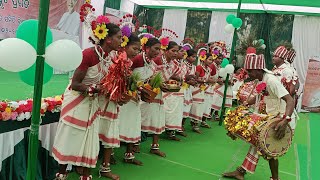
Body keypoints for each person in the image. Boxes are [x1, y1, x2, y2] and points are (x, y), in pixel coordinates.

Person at [52, 14, 122, 180]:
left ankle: (86, 175)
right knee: (71, 136)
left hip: (92, 102)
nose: (122, 41)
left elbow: (106, 83)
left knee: (90, 138)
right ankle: (61, 174)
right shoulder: (88, 55)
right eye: (119, 37)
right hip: (76, 101)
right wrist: (96, 89)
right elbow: (76, 84)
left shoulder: (111, 57)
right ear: (108, 40)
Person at [222, 53, 295, 180]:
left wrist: (284, 121)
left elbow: (290, 100)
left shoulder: (271, 81)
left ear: (258, 70)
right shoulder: (263, 79)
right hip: (272, 117)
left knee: (268, 149)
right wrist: (246, 103)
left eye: (250, 71)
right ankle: (242, 172)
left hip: (282, 119)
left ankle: (272, 178)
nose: (248, 74)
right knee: (258, 143)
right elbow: (260, 94)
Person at [131, 37, 165, 157]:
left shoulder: (152, 63)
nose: (158, 52)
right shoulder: (138, 59)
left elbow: (151, 80)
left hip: (145, 96)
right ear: (147, 48)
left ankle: (152, 146)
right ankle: (133, 145)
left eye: (159, 49)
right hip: (131, 96)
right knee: (136, 121)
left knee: (155, 119)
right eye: (156, 48)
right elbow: (128, 76)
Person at [118, 34, 143, 165]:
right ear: (125, 46)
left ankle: (129, 154)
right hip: (120, 98)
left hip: (132, 97)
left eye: (139, 50)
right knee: (116, 126)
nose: (137, 52)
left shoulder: (130, 61)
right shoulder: (118, 60)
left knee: (133, 124)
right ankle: (108, 157)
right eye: (134, 48)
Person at [272, 46, 297, 130]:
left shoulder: (287, 70)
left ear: (282, 58)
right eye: (273, 56)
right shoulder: (274, 69)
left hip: (283, 103)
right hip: (274, 103)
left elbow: (290, 90)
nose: (273, 58)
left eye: (276, 56)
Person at [189, 49, 214, 133]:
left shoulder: (209, 69)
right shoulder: (199, 67)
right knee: (196, 107)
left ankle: (195, 123)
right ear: (204, 59)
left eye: (212, 60)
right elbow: (195, 79)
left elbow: (208, 78)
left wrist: (212, 80)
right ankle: (194, 124)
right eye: (209, 59)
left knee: (200, 107)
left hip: (203, 90)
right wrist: (206, 81)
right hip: (196, 89)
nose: (211, 61)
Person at [178, 49, 197, 136]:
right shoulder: (182, 64)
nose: (194, 58)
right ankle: (177, 127)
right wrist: (189, 79)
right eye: (193, 56)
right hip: (182, 88)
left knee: (187, 107)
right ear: (187, 57)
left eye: (195, 57)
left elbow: (193, 77)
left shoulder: (194, 67)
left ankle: (181, 125)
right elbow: (181, 77)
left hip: (189, 89)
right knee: (181, 107)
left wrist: (194, 81)